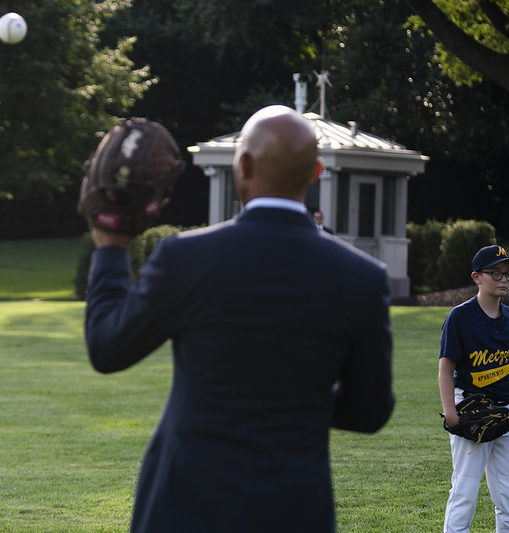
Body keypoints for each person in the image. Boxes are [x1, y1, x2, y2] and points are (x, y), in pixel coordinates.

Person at [83, 105, 395, 532]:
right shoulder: (363, 278)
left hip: (184, 507)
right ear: (316, 172)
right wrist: (298, 395)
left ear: (242, 165)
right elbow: (369, 412)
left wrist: (111, 243)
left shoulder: (184, 258)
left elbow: (107, 347)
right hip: (294, 511)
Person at [438, 244, 509, 533]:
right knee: (465, 491)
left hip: (505, 412)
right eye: (496, 273)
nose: (504, 279)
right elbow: (446, 368)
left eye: (508, 274)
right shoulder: (460, 317)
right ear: (476, 277)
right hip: (470, 409)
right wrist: (451, 413)